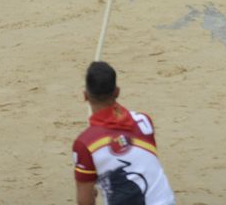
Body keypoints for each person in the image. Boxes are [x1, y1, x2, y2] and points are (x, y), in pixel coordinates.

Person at [72, 61, 174, 205]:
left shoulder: (85, 143)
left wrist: (91, 190)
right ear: (117, 92)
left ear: (85, 96)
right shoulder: (143, 121)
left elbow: (84, 202)